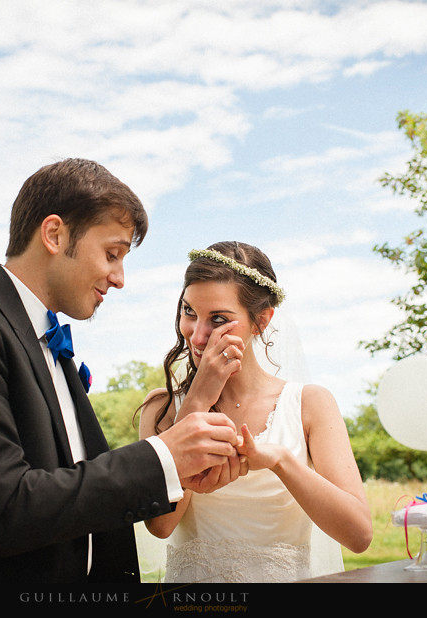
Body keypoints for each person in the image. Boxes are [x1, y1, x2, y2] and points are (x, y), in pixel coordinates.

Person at [0, 159, 244, 584]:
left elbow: (76, 489)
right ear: (55, 234)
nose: (119, 278)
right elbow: (7, 510)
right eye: (112, 254)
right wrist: (164, 456)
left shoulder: (52, 344)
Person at [138, 241, 373, 583]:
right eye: (189, 312)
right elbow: (160, 525)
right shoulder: (160, 408)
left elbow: (359, 535)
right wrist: (196, 403)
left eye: (218, 319)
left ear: (260, 321)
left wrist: (281, 461)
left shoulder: (310, 404)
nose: (198, 335)